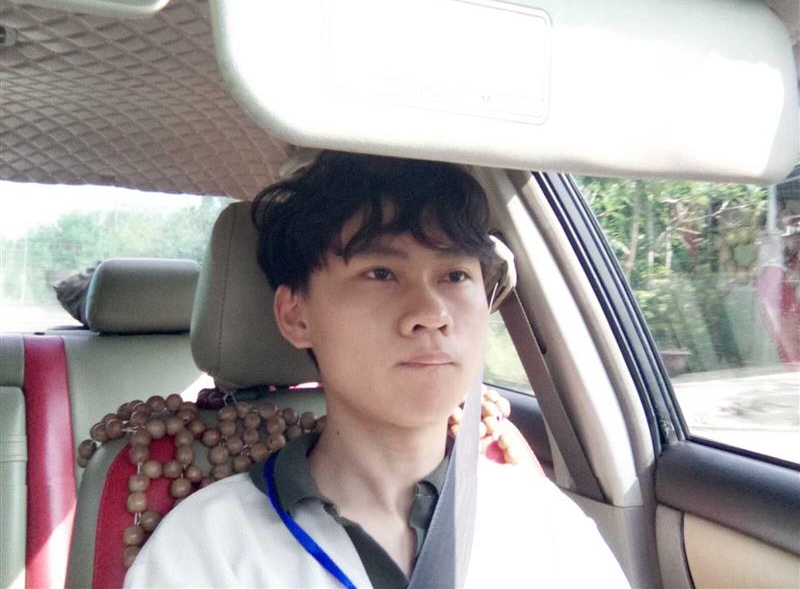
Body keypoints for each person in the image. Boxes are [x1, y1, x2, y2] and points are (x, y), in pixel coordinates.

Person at [124, 151, 629, 588]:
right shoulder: (208, 549)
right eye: (381, 273)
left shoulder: (545, 524)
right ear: (296, 316)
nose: (431, 312)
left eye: (455, 275)